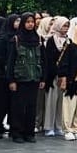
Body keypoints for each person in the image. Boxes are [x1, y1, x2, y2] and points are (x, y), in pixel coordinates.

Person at [6, 13, 45, 144]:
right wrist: (11, 80)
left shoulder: (38, 39)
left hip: (34, 77)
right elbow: (10, 61)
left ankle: (29, 133)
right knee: (18, 107)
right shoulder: (16, 39)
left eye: (32, 22)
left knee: (31, 106)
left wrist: (43, 78)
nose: (30, 24)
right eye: (27, 22)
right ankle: (17, 133)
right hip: (20, 78)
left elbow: (43, 60)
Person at [41, 16, 69, 137]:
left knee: (61, 103)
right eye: (63, 25)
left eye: (67, 26)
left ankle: (58, 126)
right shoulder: (50, 40)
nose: (66, 28)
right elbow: (47, 60)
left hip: (64, 77)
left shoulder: (69, 41)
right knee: (51, 101)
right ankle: (48, 126)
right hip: (52, 76)